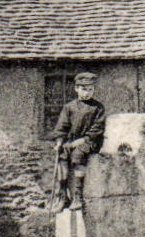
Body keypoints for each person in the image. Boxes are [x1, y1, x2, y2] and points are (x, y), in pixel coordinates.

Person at [46, 72, 107, 211]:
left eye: (90, 89)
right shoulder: (69, 107)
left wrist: (83, 140)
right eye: (84, 89)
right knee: (62, 155)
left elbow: (97, 129)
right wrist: (59, 142)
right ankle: (62, 196)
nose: (87, 93)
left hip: (90, 142)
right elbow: (62, 126)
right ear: (76, 89)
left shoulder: (98, 108)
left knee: (77, 156)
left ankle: (77, 196)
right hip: (72, 141)